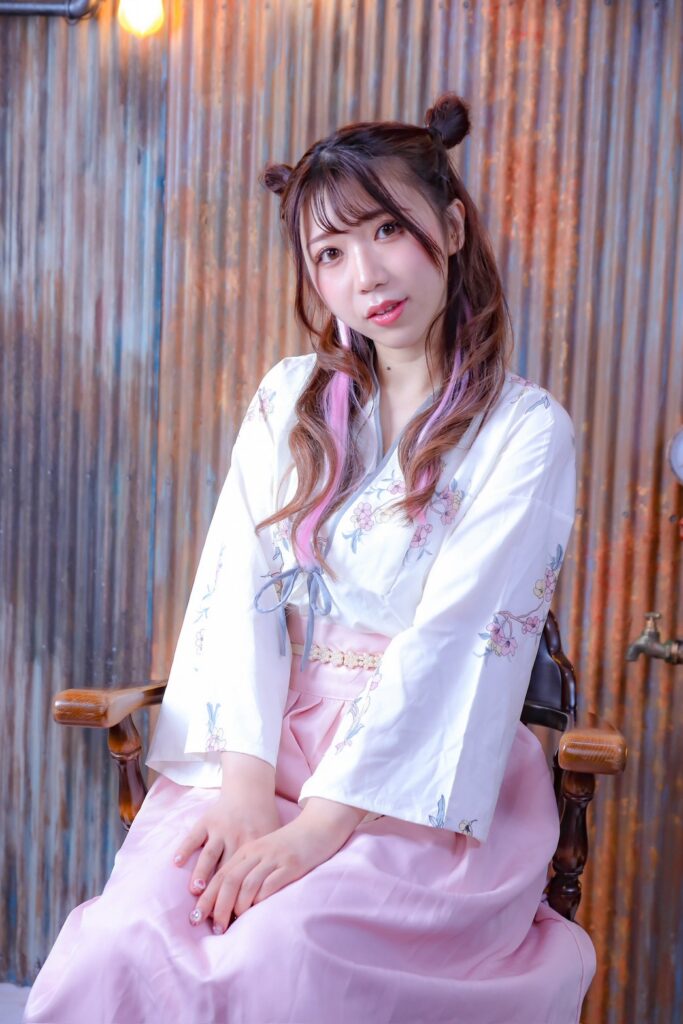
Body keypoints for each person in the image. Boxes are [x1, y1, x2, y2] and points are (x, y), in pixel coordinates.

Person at [25, 92, 596, 1024]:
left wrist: (318, 829)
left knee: (284, 952)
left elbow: (455, 642)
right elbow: (237, 587)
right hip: (264, 738)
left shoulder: (524, 431)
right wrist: (247, 790)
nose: (366, 274)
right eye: (330, 253)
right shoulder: (290, 398)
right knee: (125, 937)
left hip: (416, 768)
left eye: (388, 229)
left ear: (451, 228)